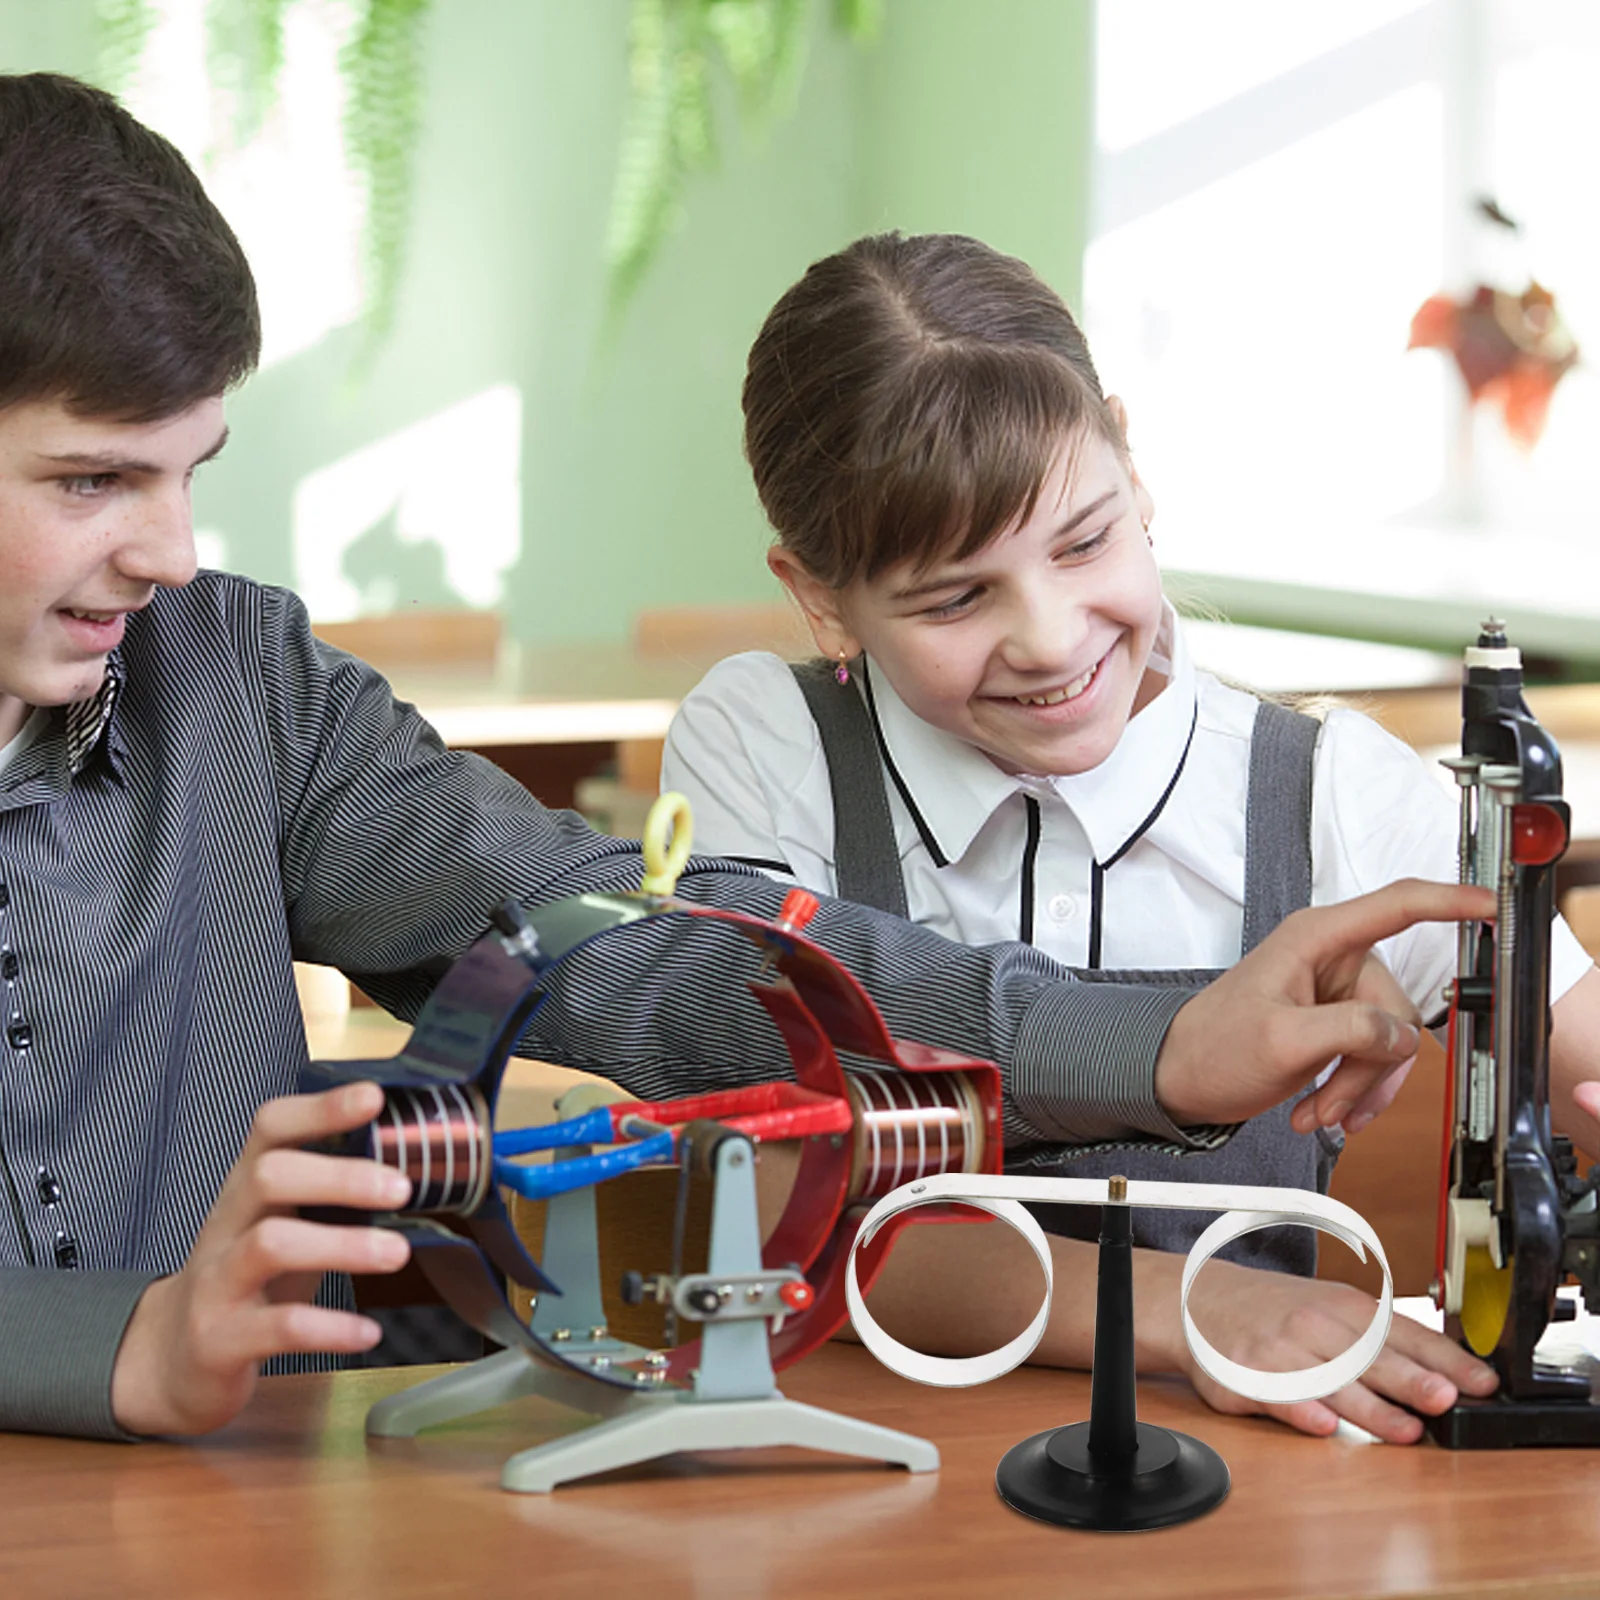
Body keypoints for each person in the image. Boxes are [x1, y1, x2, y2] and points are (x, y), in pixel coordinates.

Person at [661, 230, 1600, 1443]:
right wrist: (1184, 1304)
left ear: (1131, 458)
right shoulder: (767, 744)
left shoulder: (1337, 800)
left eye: (1084, 540)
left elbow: (1579, 1063)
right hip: (861, 1486)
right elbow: (767, 1197)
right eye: (955, 596)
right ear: (819, 595)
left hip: (1260, 1504)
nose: (1050, 639)